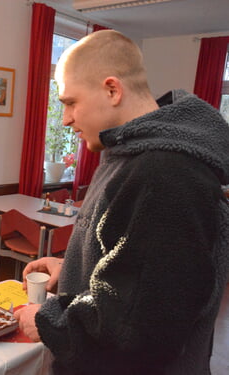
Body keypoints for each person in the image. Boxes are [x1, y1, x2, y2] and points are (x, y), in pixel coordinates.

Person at [15, 30, 229, 374]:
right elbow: (133, 267)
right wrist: (71, 269)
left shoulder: (167, 172)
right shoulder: (128, 155)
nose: (66, 119)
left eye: (70, 103)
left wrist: (49, 320)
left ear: (112, 90)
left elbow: (140, 324)